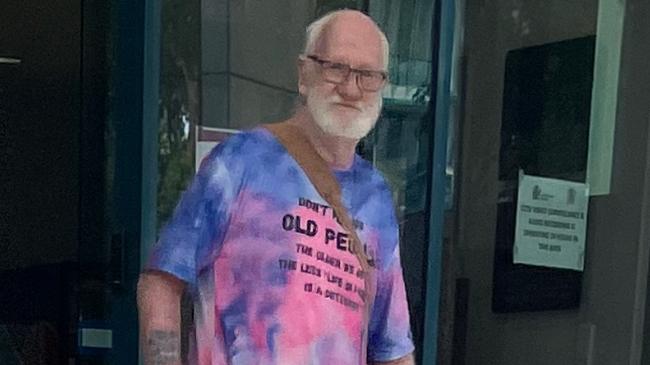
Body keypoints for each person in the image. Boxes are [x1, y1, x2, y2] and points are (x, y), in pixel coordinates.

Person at [137, 9, 415, 365]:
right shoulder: (240, 162)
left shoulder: (375, 197)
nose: (350, 88)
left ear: (382, 84)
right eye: (336, 68)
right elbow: (161, 283)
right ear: (304, 74)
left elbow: (393, 346)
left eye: (366, 75)